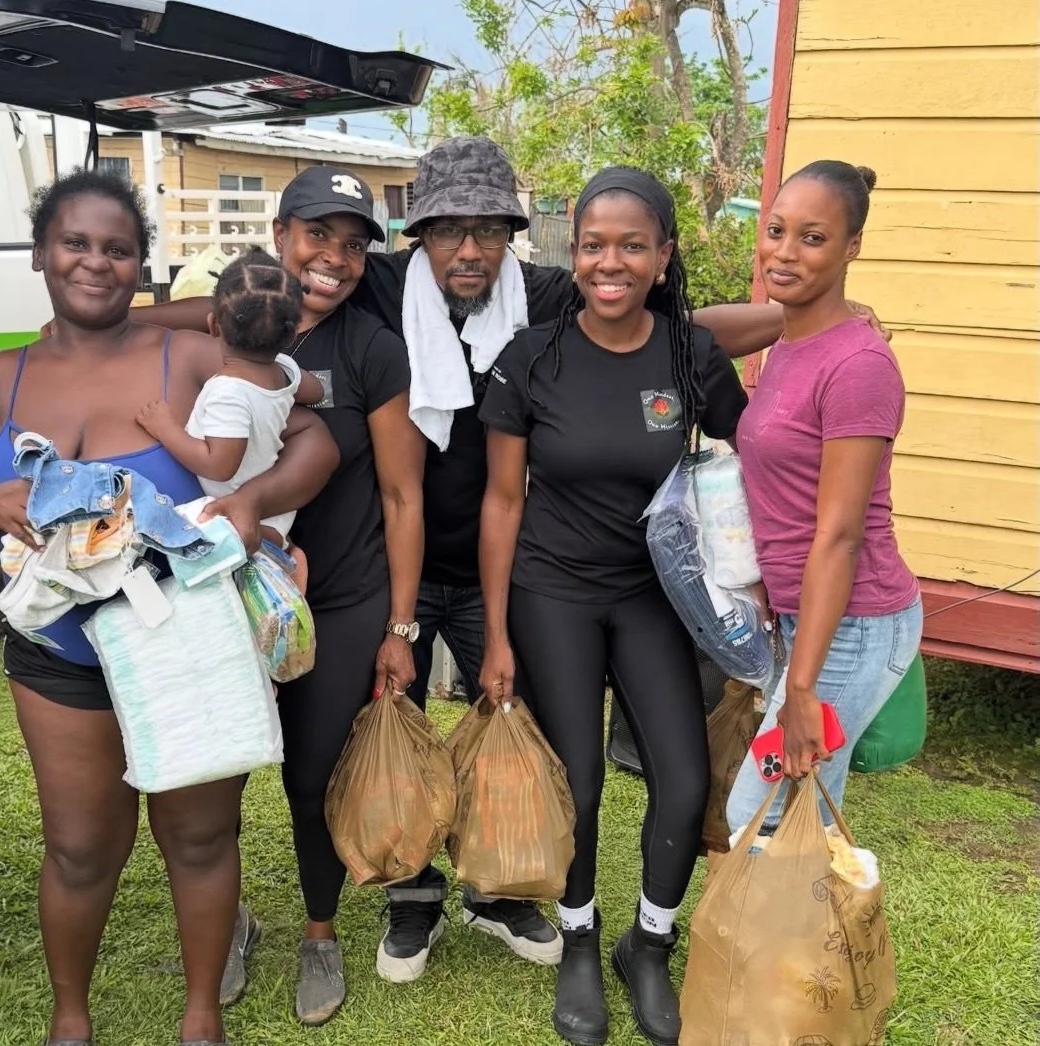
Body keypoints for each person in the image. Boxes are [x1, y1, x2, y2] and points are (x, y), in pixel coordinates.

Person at [129, 138, 867, 985]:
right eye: (446, 230)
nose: (468, 250)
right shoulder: (373, 278)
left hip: (506, 568)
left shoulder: (547, 292)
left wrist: (810, 317)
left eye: (488, 230)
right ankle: (412, 892)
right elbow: (249, 306)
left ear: (514, 236)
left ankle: (501, 888)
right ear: (417, 238)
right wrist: (123, 321)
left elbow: (673, 329)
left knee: (526, 743)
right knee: (386, 733)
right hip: (390, 559)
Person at [0, 170, 338, 1046]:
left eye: (117, 249)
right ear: (40, 254)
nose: (95, 263)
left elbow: (314, 440)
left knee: (199, 839)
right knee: (77, 849)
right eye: (75, 244)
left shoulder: (188, 359)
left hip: (191, 644)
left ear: (141, 266)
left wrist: (253, 500)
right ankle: (70, 1019)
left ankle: (199, 1020)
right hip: (58, 660)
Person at [478, 166, 749, 1046]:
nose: (610, 262)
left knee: (682, 779)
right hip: (550, 590)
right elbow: (502, 502)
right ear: (573, 248)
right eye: (594, 244)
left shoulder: (689, 355)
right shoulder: (533, 359)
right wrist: (493, 634)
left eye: (632, 246)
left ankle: (649, 943)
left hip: (651, 597)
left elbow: (751, 465)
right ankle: (581, 941)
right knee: (580, 784)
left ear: (662, 257)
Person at [229, 166, 426, 1026]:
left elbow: (402, 496)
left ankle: (318, 932)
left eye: (353, 246)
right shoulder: (229, 324)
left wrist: (400, 626)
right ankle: (225, 917)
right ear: (279, 236)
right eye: (318, 236)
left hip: (342, 598)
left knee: (312, 778)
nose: (334, 259)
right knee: (219, 776)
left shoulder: (373, 348)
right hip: (224, 596)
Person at [724, 161, 923, 838]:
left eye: (812, 238)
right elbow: (682, 331)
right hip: (804, 617)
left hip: (853, 623)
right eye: (775, 230)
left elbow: (837, 536)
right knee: (800, 816)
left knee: (761, 812)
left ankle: (793, 942)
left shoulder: (858, 366)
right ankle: (814, 940)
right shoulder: (787, 342)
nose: (783, 251)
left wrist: (801, 688)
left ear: (851, 248)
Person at [134, 246, 325, 548]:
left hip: (237, 510)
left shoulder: (228, 392)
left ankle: (278, 548)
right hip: (276, 505)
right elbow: (318, 391)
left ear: (212, 326)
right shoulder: (286, 370)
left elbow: (219, 465)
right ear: (290, 336)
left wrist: (165, 429)